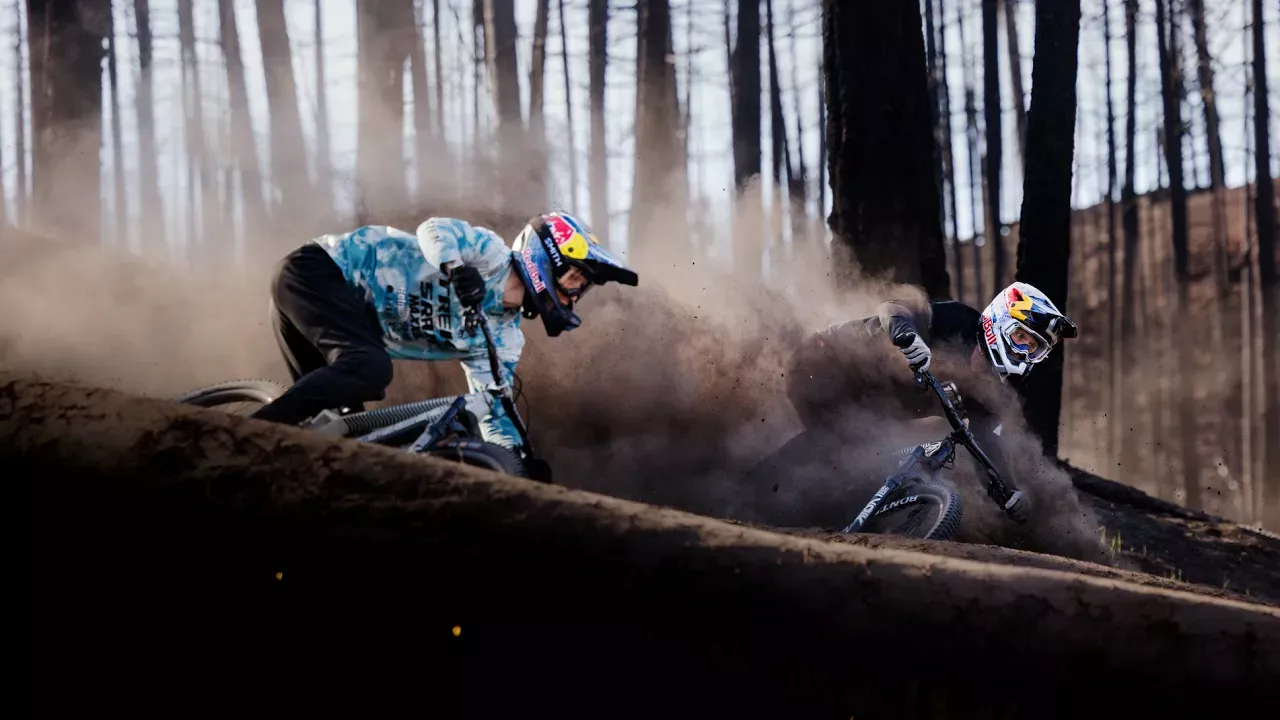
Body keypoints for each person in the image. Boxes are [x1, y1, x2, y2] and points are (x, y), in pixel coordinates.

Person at [249, 211, 639, 457]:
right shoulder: (491, 255)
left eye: (582, 288)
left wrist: (520, 464)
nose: (575, 295)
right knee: (369, 368)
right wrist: (455, 266)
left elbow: (495, 413)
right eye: (575, 279)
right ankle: (243, 435)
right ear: (548, 257)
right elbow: (434, 229)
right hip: (317, 272)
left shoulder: (503, 338)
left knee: (343, 436)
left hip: (337, 321)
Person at [785, 281, 1078, 435]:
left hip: (866, 411)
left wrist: (1008, 492)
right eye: (1021, 337)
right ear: (1000, 321)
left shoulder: (989, 388)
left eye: (1034, 347)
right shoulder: (958, 320)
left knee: (862, 460)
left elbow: (986, 439)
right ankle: (762, 491)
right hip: (824, 361)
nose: (1023, 351)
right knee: (835, 448)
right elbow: (893, 307)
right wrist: (907, 336)